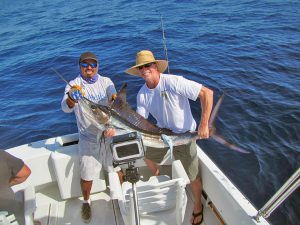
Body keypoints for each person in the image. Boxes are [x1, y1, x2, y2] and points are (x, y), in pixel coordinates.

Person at [125, 50, 213, 225]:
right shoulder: (142, 94)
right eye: (140, 67)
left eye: (147, 65)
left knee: (192, 176)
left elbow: (207, 93)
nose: (144, 70)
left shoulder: (173, 81)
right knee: (145, 153)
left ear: (155, 66)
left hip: (185, 137)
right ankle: (158, 176)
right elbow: (140, 122)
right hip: (162, 137)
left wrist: (204, 125)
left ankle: (197, 205)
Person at [61, 52, 117, 223]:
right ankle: (86, 201)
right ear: (80, 67)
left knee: (116, 170)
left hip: (108, 134)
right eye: (85, 65)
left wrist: (114, 99)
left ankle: (119, 196)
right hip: (88, 138)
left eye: (93, 64)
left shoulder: (106, 81)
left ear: (98, 66)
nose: (89, 68)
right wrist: (71, 98)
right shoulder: (73, 84)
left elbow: (113, 99)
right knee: (87, 175)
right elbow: (65, 108)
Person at [0, 151, 31, 224]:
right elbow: (25, 173)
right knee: (21, 193)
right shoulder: (1, 155)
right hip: (12, 217)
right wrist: (7, 185)